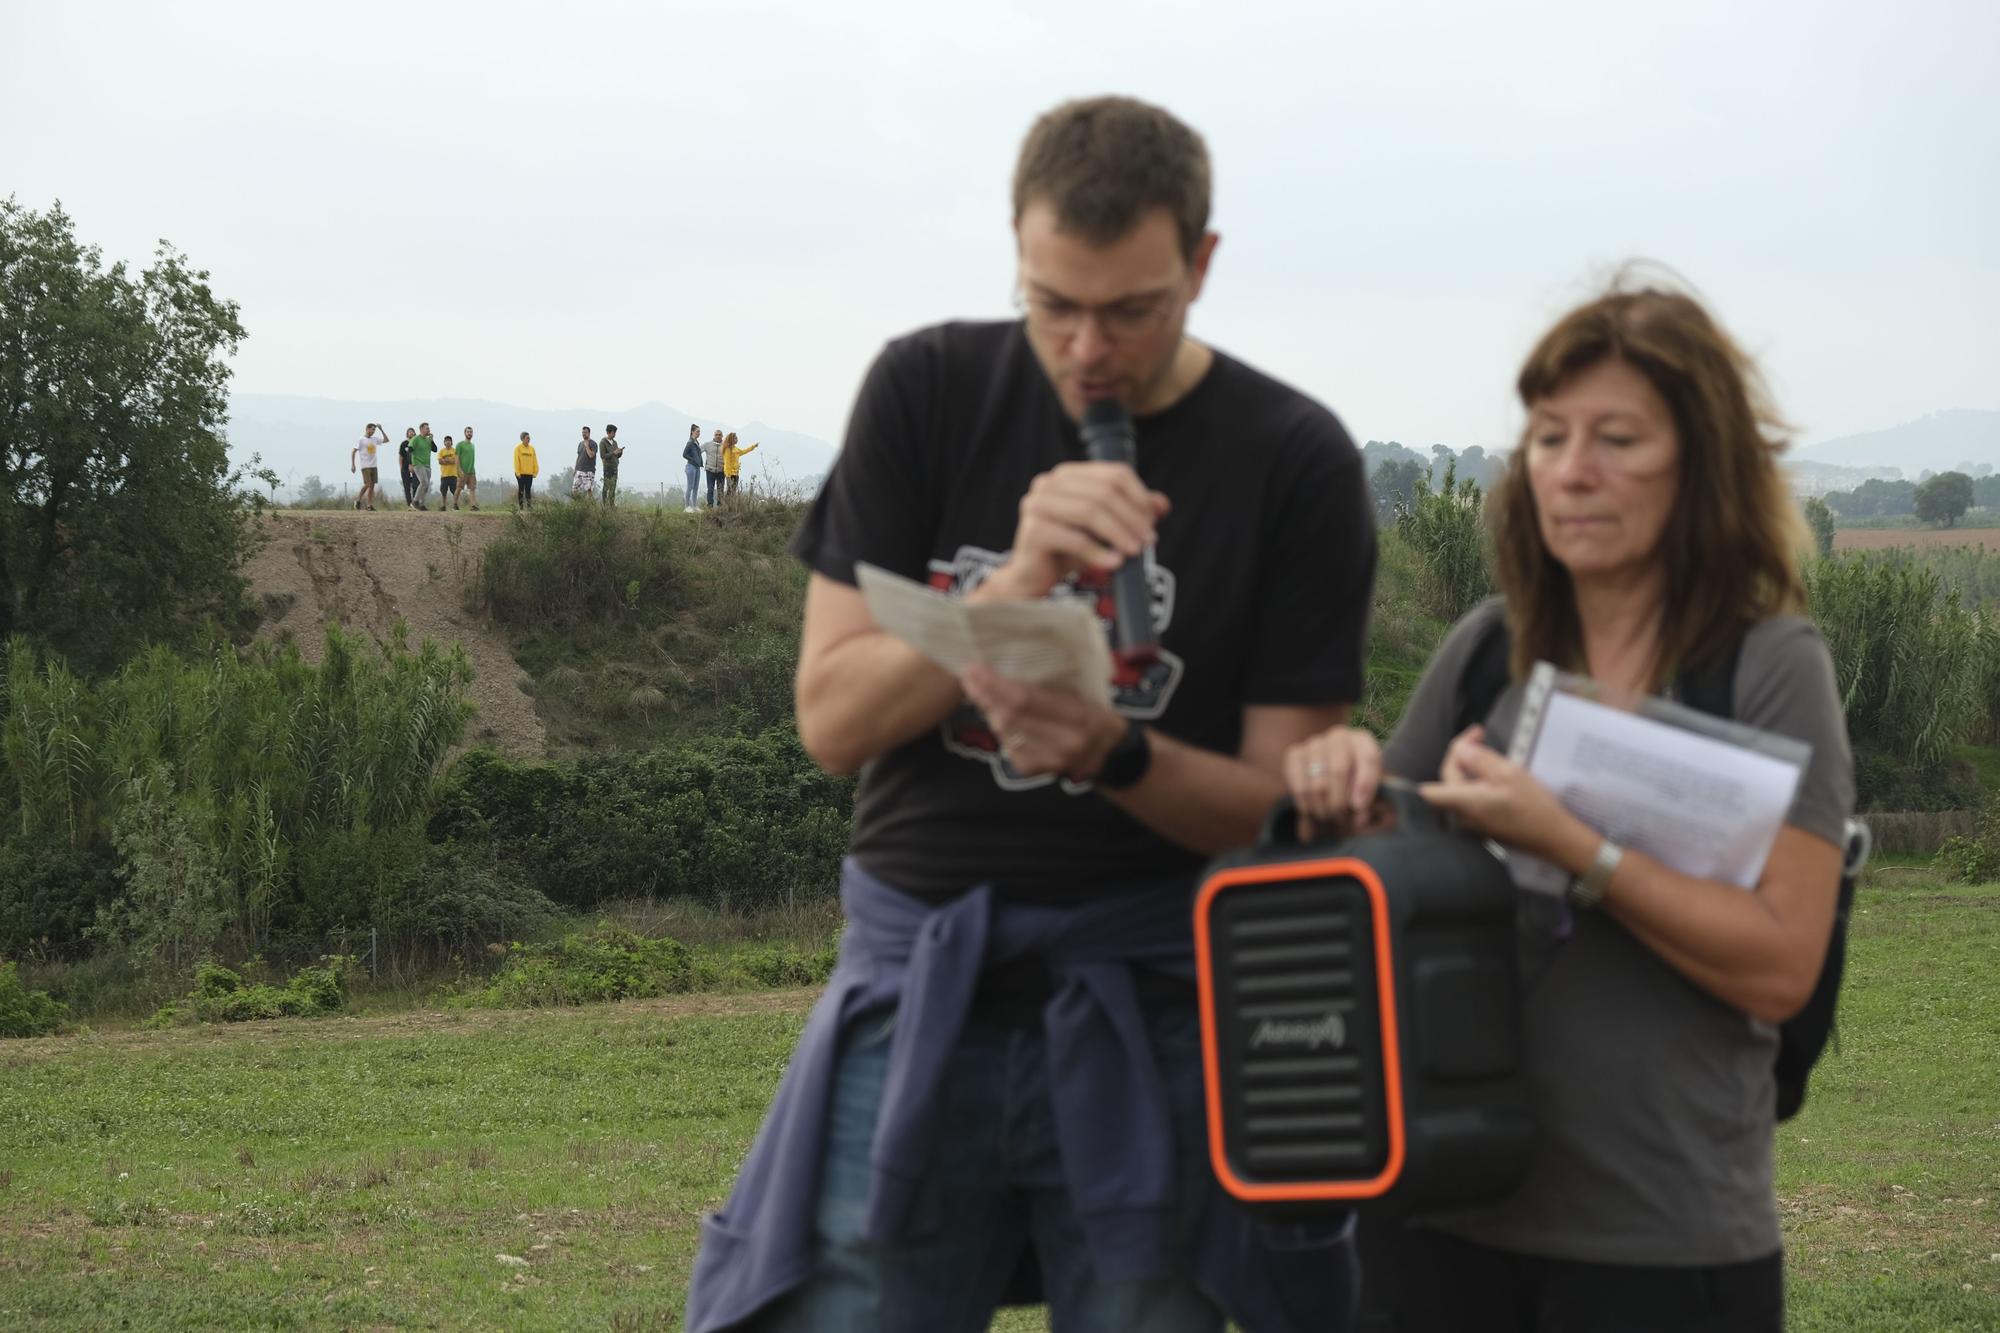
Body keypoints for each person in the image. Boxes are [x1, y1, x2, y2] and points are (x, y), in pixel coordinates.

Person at [685, 95, 1376, 1333]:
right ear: (1015, 248)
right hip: (915, 990)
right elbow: (832, 721)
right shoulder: (924, 388)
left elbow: (1281, 806)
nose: (1087, 350)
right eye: (1051, 304)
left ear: (1201, 266)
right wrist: (1007, 589)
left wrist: (1112, 752)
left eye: (1131, 309)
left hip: (1158, 1006)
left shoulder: (1293, 457)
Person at [1282, 281, 1854, 1333]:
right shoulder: (1483, 652)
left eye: (1617, 439)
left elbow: (1780, 965)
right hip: (1433, 1218)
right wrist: (1341, 785)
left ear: (1702, 465)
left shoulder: (1766, 667)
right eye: (1547, 437)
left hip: (1658, 1241)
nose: (1571, 470)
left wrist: (1570, 845)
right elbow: (1373, 888)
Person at [351, 423, 385, 511]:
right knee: (368, 484)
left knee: (372, 486)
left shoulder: (375, 439)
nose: (373, 431)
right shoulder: (361, 440)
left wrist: (381, 429)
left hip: (374, 465)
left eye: (374, 430)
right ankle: (358, 500)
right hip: (365, 465)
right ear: (367, 429)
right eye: (372, 429)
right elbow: (353, 451)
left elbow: (386, 440)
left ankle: (369, 505)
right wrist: (353, 464)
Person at [722, 432, 759, 500]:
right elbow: (727, 463)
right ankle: (727, 506)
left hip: (736, 473)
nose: (737, 439)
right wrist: (728, 475)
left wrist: (753, 446)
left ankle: (731, 506)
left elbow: (743, 451)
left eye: (736, 438)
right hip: (730, 474)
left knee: (733, 492)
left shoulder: (735, 448)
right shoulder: (728, 449)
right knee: (730, 492)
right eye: (735, 438)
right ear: (731, 439)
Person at [410, 422, 437, 510]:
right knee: (424, 482)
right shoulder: (415, 439)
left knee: (426, 485)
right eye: (427, 428)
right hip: (418, 464)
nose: (428, 430)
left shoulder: (428, 440)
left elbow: (435, 449)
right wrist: (410, 464)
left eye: (429, 428)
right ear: (421, 429)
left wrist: (431, 439)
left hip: (427, 465)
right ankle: (415, 501)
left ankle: (421, 504)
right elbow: (409, 449)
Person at [601, 424, 625, 507]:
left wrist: (620, 452)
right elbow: (603, 455)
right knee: (606, 487)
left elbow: (617, 456)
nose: (615, 434)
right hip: (607, 468)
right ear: (609, 432)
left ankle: (611, 505)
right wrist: (613, 452)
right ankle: (604, 505)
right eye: (614, 432)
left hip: (615, 467)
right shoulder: (603, 442)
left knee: (613, 487)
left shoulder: (615, 442)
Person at [514, 431, 539, 509]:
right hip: (520, 473)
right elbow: (516, 460)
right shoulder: (518, 448)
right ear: (522, 439)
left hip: (529, 473)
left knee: (528, 490)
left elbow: (535, 460)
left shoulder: (532, 449)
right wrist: (517, 472)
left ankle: (529, 506)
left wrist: (535, 471)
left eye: (529, 438)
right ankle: (521, 506)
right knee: (521, 490)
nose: (529, 439)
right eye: (527, 438)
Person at [573, 425, 598, 501]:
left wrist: (587, 446)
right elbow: (578, 456)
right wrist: (575, 469)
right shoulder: (580, 444)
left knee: (589, 491)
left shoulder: (593, 444)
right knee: (574, 490)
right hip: (579, 470)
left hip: (588, 471)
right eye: (583, 432)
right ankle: (578, 505)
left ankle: (591, 507)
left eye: (585, 432)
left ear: (589, 433)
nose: (584, 434)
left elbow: (591, 455)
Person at [683, 424, 704, 512]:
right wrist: (693, 460)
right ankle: (687, 506)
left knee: (696, 488)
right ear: (692, 431)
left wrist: (700, 463)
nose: (699, 433)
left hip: (697, 468)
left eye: (699, 431)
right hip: (691, 467)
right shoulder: (690, 442)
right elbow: (684, 454)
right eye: (697, 431)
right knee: (690, 487)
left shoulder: (696, 442)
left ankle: (694, 506)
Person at [703, 427, 726, 507]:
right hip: (710, 470)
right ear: (714, 435)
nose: (718, 436)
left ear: (722, 436)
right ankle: (710, 506)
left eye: (719, 435)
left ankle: (720, 506)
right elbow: (698, 451)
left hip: (721, 471)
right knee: (710, 489)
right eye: (716, 435)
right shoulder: (707, 444)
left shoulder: (725, 445)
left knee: (721, 490)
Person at [458, 425, 480, 511]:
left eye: (471, 432)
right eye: (468, 432)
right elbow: (457, 458)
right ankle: (455, 504)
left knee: (472, 488)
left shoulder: (472, 445)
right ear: (465, 433)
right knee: (459, 488)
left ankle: (473, 505)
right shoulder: (460, 444)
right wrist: (459, 470)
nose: (469, 433)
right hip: (463, 471)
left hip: (471, 470)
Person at [438, 436, 461, 511]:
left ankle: (455, 505)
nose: (448, 442)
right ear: (444, 442)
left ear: (451, 442)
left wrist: (446, 460)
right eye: (446, 441)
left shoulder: (455, 451)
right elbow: (440, 461)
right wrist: (448, 460)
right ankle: (443, 506)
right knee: (443, 492)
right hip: (444, 475)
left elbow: (455, 461)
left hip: (453, 475)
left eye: (449, 441)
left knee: (454, 491)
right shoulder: (441, 451)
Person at [399, 428, 418, 508]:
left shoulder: (416, 443)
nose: (411, 433)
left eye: (412, 432)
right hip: (405, 468)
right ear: (407, 434)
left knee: (415, 485)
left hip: (416, 468)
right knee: (407, 487)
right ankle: (409, 504)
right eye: (409, 432)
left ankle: (415, 503)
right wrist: (401, 468)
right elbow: (401, 457)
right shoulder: (404, 444)